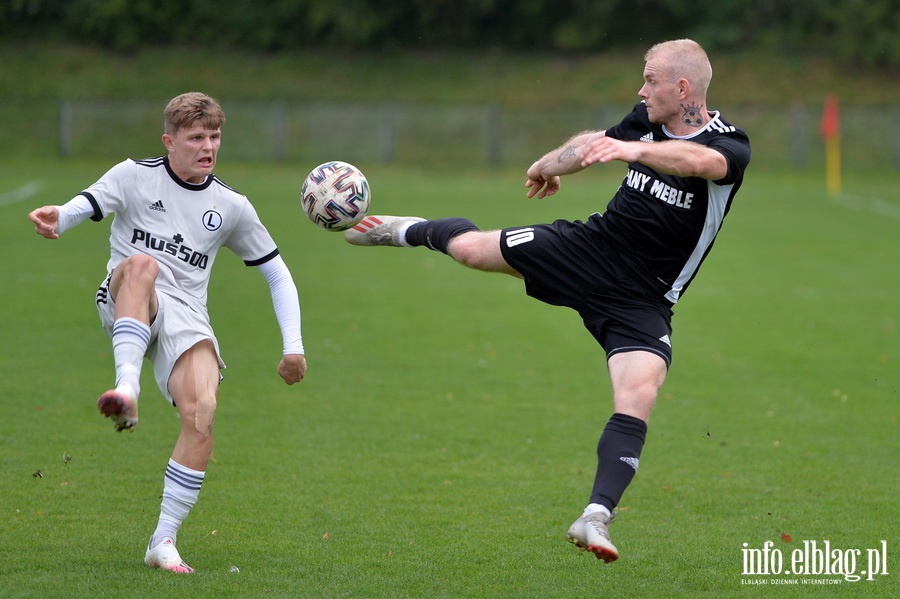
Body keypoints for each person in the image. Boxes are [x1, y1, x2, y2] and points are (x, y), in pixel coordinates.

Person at [344, 39, 750, 563]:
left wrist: (633, 150)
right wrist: (548, 163)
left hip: (643, 296)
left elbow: (700, 162)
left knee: (639, 394)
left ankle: (595, 517)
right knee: (469, 249)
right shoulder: (642, 119)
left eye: (650, 80)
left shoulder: (730, 144)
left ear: (683, 88)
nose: (641, 89)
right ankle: (404, 230)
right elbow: (592, 144)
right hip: (589, 248)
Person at [28, 92, 308, 573]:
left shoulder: (231, 206)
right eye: (196, 137)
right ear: (169, 141)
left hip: (187, 314)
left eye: (215, 136)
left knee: (202, 411)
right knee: (141, 264)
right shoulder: (134, 175)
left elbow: (277, 273)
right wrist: (62, 216)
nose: (208, 146)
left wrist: (293, 348)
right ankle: (127, 386)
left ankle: (162, 540)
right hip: (128, 291)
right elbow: (87, 203)